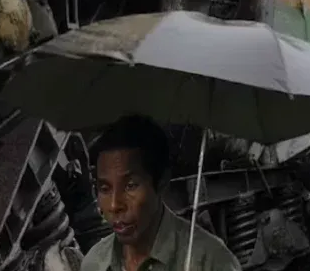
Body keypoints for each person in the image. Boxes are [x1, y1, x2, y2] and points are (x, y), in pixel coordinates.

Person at [80, 115, 241, 271]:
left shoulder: (211, 262)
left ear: (162, 183)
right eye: (105, 189)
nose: (114, 205)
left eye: (130, 186)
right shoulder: (95, 263)